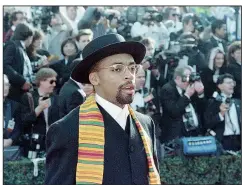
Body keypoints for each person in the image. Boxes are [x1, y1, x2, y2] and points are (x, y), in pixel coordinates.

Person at [45, 34, 161, 185]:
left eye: (132, 68)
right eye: (117, 69)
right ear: (94, 79)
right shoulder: (67, 130)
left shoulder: (146, 124)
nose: (129, 76)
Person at [159, 65, 207, 144]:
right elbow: (174, 112)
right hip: (176, 136)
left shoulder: (190, 87)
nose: (189, 81)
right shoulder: (167, 89)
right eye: (187, 78)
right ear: (178, 78)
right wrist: (187, 95)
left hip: (193, 133)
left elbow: (202, 109)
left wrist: (200, 93)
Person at [20, 68, 60, 157]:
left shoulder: (56, 99)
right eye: (51, 81)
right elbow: (24, 122)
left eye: (55, 81)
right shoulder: (28, 97)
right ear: (42, 81)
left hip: (53, 143)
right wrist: (40, 108)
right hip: (34, 144)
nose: (54, 84)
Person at [204, 74, 241, 151]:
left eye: (232, 82)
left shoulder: (238, 102)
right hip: (223, 140)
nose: (232, 85)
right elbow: (207, 123)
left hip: (238, 139)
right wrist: (221, 114)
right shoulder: (213, 102)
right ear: (220, 86)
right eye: (228, 83)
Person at [3, 23, 34, 102]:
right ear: (29, 37)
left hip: (21, 91)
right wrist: (22, 81)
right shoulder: (12, 45)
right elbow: (5, 66)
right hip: (14, 92)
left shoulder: (20, 48)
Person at [3, 74, 22, 148]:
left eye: (7, 85)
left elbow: (18, 127)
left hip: (9, 147)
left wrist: (11, 140)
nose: (5, 88)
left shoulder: (15, 106)